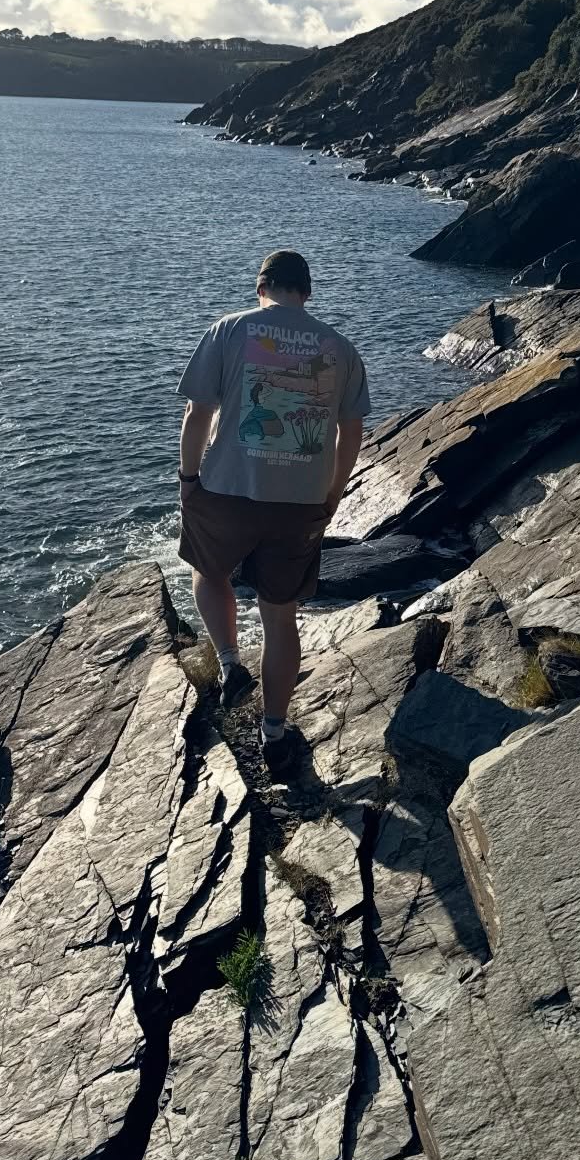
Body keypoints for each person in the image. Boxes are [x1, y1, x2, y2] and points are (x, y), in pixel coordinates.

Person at [177, 249, 370, 774]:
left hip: (227, 489)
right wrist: (333, 493)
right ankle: (275, 733)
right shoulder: (341, 348)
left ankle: (231, 663)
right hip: (301, 501)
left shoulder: (229, 330)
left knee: (208, 570)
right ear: (307, 292)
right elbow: (350, 432)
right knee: (281, 618)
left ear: (260, 286)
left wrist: (187, 478)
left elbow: (198, 413)